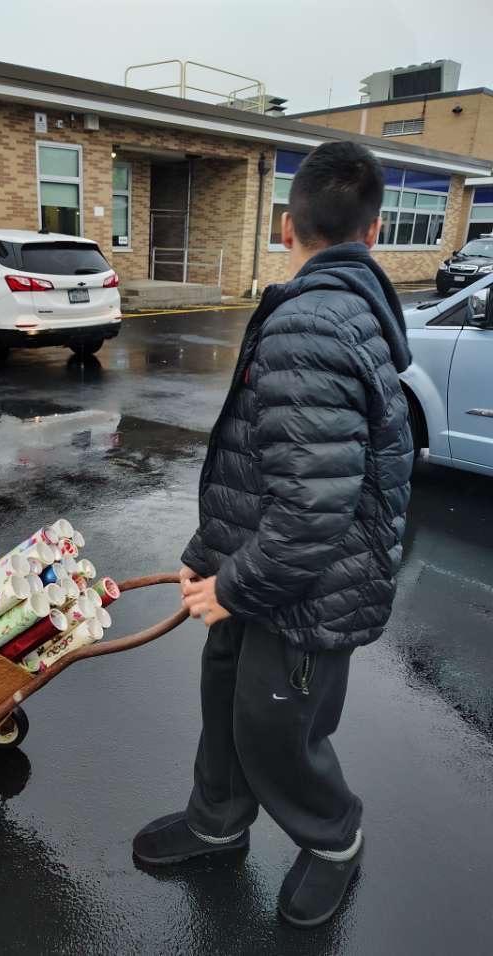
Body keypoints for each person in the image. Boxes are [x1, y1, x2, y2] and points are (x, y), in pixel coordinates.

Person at [132, 141, 413, 929]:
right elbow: (265, 462)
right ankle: (217, 820)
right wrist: (210, 561)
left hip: (307, 590)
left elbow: (313, 510)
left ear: (286, 227)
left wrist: (233, 586)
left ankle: (334, 838)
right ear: (375, 231)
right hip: (263, 571)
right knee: (227, 697)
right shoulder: (330, 310)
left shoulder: (313, 325)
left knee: (277, 729)